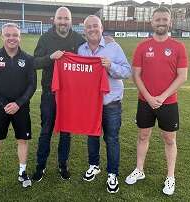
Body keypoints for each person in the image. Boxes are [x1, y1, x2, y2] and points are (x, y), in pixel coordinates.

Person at [125, 7, 188, 196]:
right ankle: (139, 169)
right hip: (145, 102)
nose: (161, 23)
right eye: (158, 19)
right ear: (152, 22)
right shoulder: (142, 46)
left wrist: (162, 97)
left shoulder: (178, 47)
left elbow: (182, 76)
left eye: (164, 19)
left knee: (169, 139)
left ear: (170, 23)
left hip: (168, 103)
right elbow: (136, 75)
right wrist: (149, 97)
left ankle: (170, 176)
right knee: (143, 136)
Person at [0, 23, 37, 189]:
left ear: (20, 37)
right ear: (2, 37)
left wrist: (18, 103)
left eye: (15, 35)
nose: (12, 38)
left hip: (21, 107)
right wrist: (4, 104)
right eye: (8, 35)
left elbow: (32, 85)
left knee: (22, 140)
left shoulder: (28, 59)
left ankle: (22, 173)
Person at [78, 15, 131, 194]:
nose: (92, 29)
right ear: (84, 31)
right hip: (90, 104)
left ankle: (112, 174)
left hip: (111, 103)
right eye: (89, 27)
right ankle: (94, 165)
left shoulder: (113, 47)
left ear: (101, 28)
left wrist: (111, 66)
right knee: (92, 136)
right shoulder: (81, 50)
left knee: (112, 139)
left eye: (95, 26)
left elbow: (127, 71)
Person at [32, 7, 86, 181]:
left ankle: (63, 165)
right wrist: (50, 58)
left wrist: (106, 40)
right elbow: (34, 62)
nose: (63, 21)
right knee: (46, 130)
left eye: (66, 18)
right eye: (60, 18)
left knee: (66, 131)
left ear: (71, 20)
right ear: (54, 20)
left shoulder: (78, 39)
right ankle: (41, 166)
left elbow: (88, 59)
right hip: (50, 93)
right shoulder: (46, 38)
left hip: (70, 95)